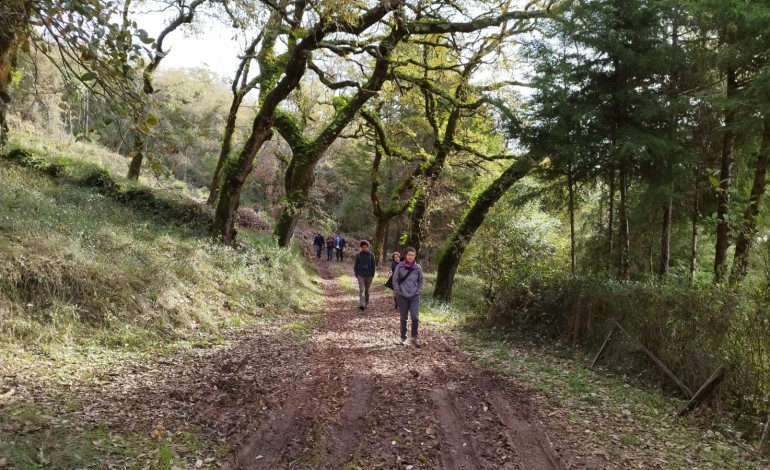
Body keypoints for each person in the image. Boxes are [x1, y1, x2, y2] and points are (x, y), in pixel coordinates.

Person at [393, 247, 424, 347]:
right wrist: (398, 291)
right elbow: (395, 279)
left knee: (415, 317)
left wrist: (418, 291)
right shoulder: (400, 266)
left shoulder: (417, 268)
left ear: (414, 256)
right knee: (403, 317)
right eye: (409, 255)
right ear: (405, 255)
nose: (410, 256)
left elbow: (421, 281)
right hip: (402, 296)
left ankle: (414, 337)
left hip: (414, 296)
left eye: (412, 255)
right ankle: (403, 338)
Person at [354, 240, 376, 311]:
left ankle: (366, 303)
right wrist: (357, 274)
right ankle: (362, 304)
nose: (365, 249)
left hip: (369, 275)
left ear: (368, 247)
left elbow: (373, 265)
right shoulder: (358, 255)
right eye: (363, 247)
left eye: (366, 247)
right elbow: (356, 266)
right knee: (362, 289)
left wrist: (372, 274)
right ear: (361, 247)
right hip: (360, 275)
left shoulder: (371, 255)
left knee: (367, 290)